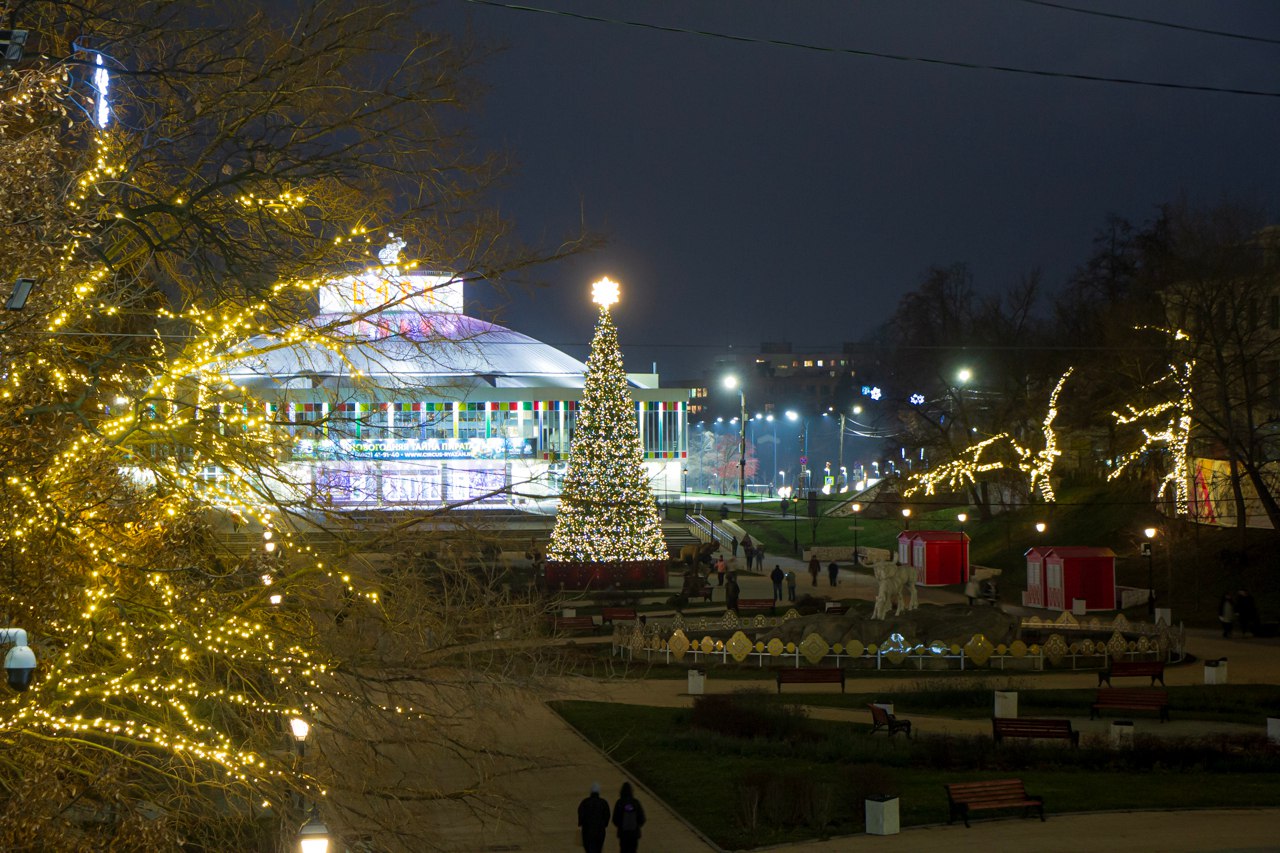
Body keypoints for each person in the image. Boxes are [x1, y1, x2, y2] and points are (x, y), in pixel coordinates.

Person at [612, 781, 646, 853]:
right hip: (634, 833)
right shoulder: (635, 802)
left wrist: (620, 825)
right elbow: (642, 818)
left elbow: (615, 819)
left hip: (623, 833)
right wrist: (637, 825)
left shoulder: (619, 803)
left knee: (623, 850)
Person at [577, 782, 611, 853]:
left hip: (587, 830)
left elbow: (581, 813)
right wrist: (604, 824)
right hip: (600, 830)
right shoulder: (603, 802)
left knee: (589, 848)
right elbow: (607, 815)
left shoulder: (585, 802)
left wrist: (581, 822)